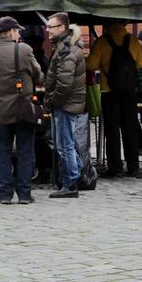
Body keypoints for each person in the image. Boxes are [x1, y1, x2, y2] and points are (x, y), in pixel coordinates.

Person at [0, 17, 45, 204]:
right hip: (22, 109)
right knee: (25, 151)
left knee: (2, 152)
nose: (19, 34)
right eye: (17, 31)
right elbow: (38, 74)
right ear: (10, 32)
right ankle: (24, 194)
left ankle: (5, 194)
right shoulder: (23, 50)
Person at [86, 19, 142, 177]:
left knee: (112, 131)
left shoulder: (101, 42)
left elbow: (90, 65)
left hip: (109, 91)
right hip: (130, 92)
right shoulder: (133, 40)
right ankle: (133, 166)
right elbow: (140, 63)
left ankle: (115, 167)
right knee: (130, 129)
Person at [44, 13, 88, 197]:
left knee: (64, 145)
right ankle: (78, 175)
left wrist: (53, 101)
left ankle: (70, 184)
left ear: (61, 27)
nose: (47, 30)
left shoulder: (66, 49)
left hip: (65, 104)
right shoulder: (66, 46)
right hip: (68, 103)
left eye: (50, 27)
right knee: (65, 143)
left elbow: (64, 83)